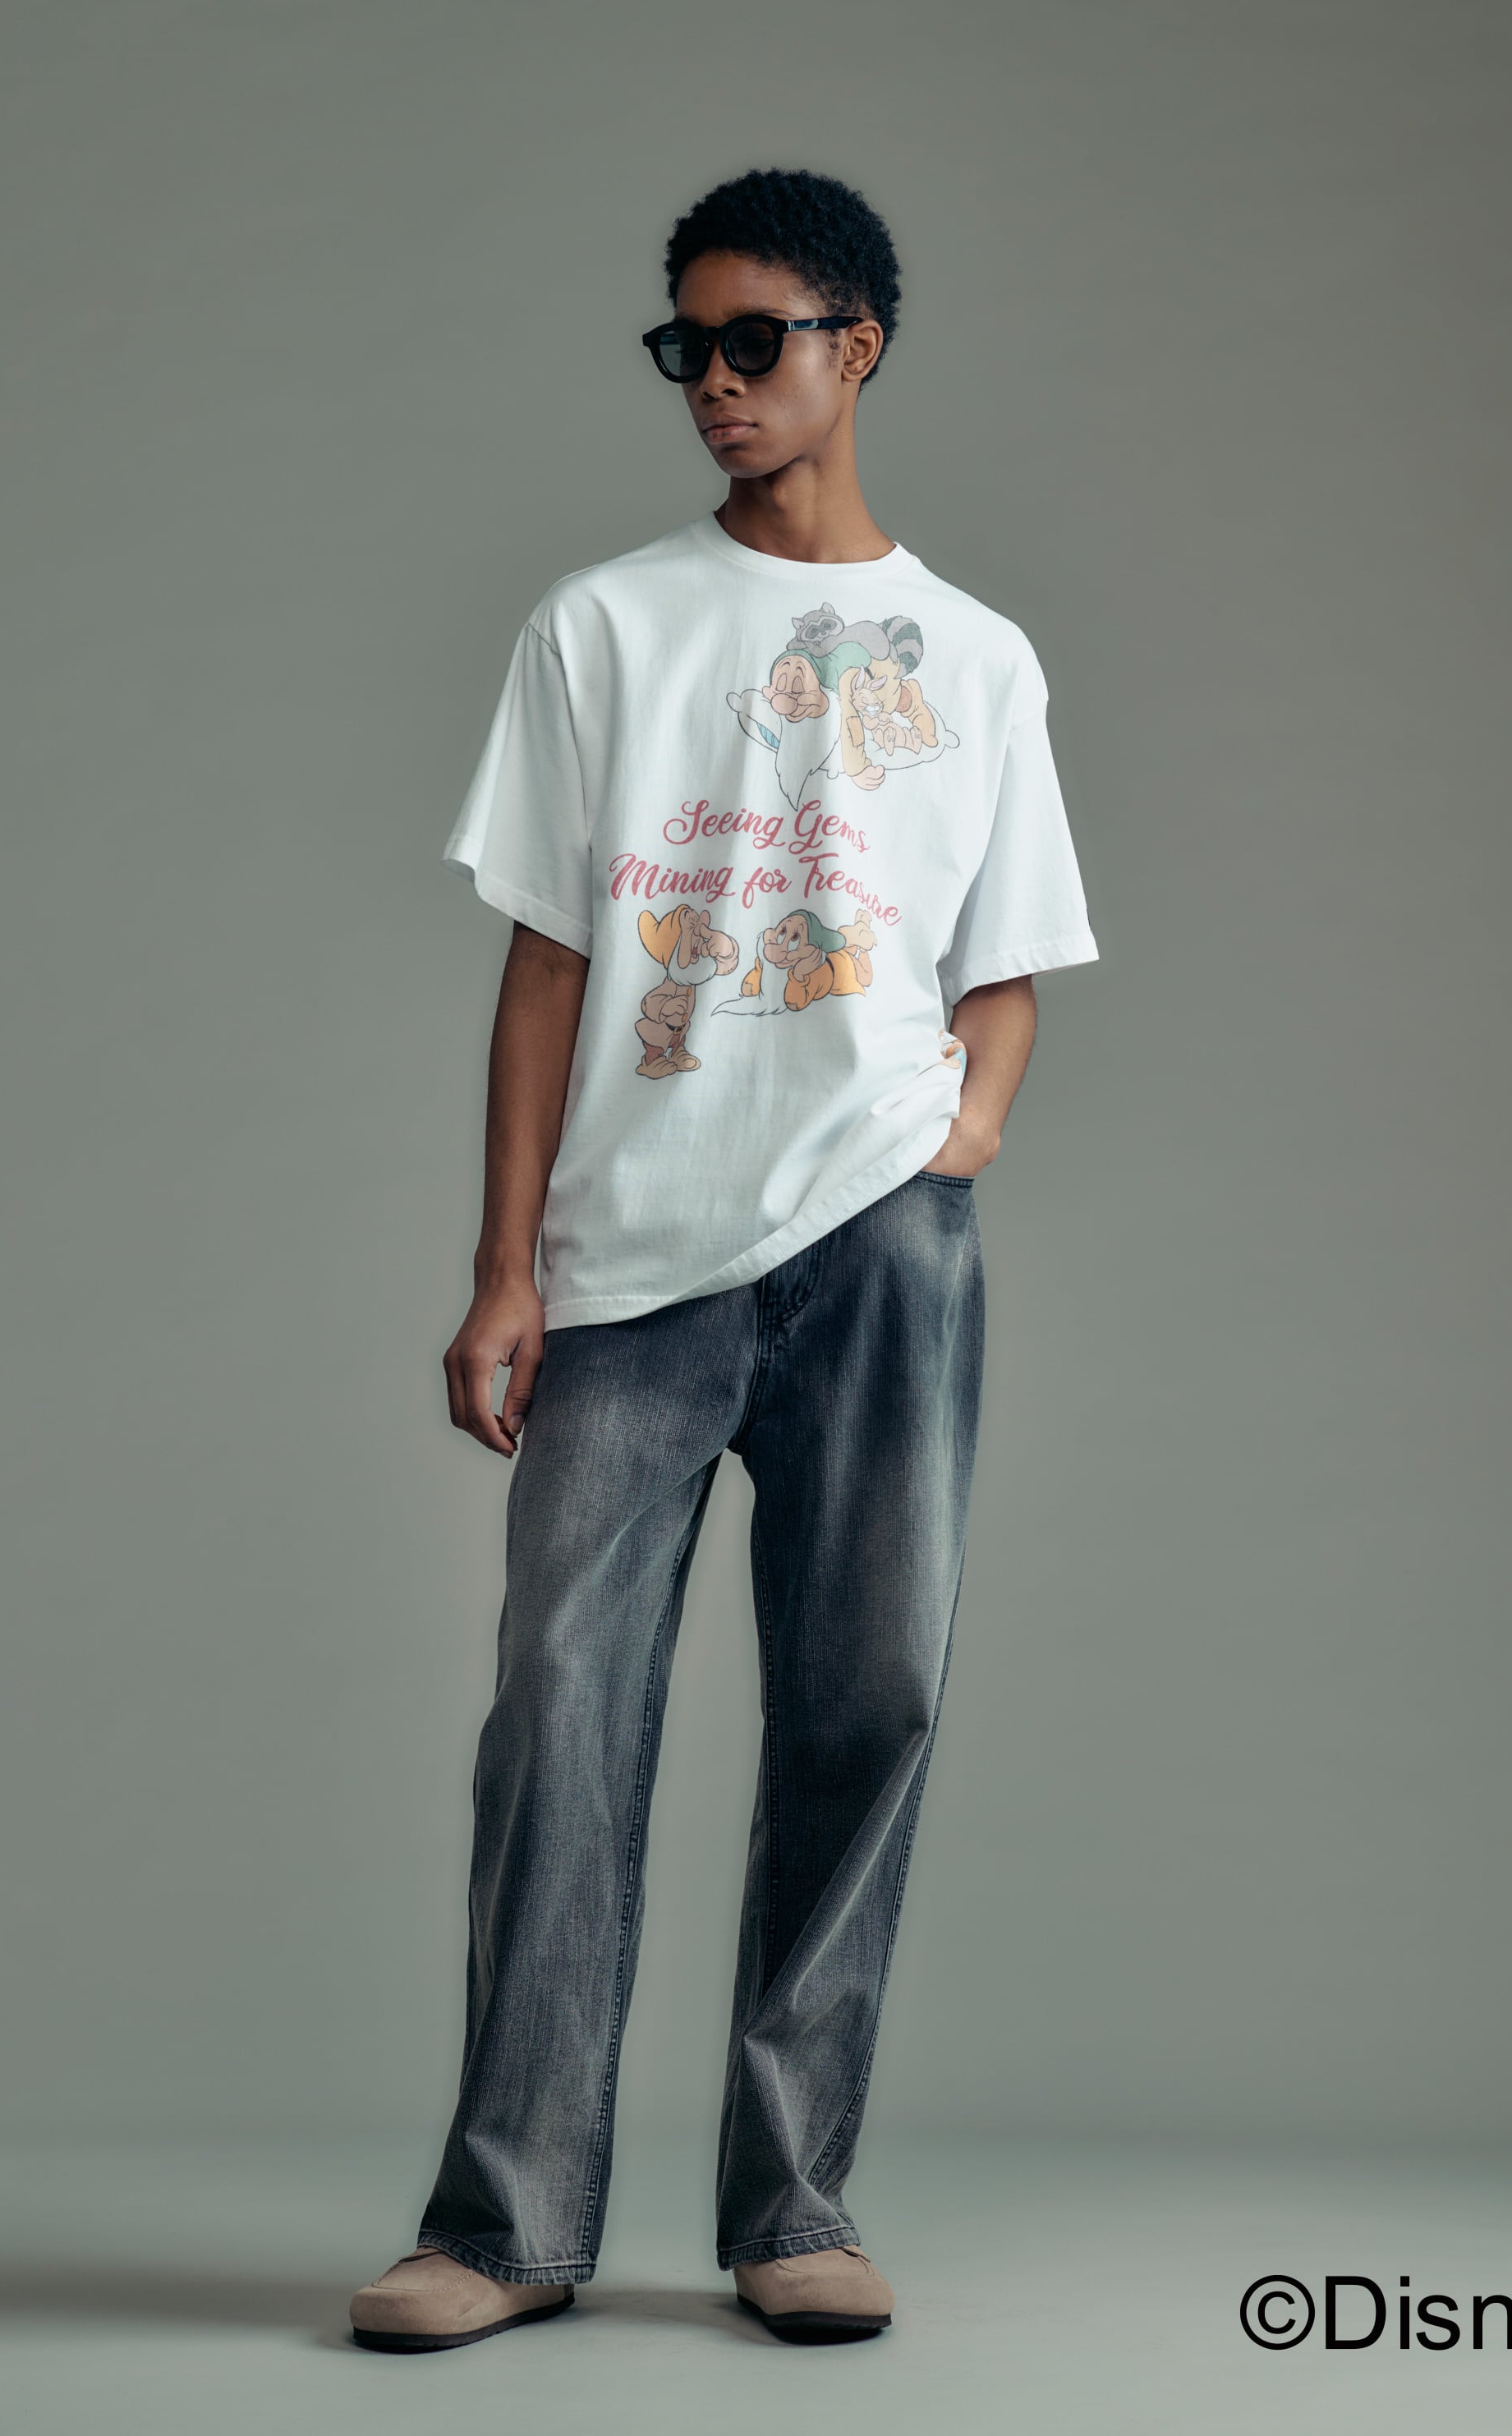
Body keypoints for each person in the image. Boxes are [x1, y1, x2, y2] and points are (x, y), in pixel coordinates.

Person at [350, 167, 1100, 2356]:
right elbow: (542, 967)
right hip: (632, 1266)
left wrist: (963, 1132)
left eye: (753, 339)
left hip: (882, 1247)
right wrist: (503, 1266)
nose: (712, 380)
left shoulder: (978, 658)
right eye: (684, 344)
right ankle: (505, 2226)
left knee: (867, 1703)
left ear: (860, 346)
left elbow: (1009, 964)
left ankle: (794, 2205)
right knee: (560, 1720)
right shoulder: (600, 627)